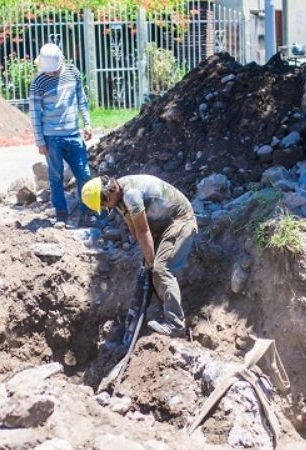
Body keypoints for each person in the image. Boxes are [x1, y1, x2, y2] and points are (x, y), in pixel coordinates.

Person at [81, 175, 198, 337]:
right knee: (150, 269)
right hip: (163, 225)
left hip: (180, 221)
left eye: (104, 204)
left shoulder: (131, 195)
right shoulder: (118, 197)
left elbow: (143, 231)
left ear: (108, 194)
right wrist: (147, 257)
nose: (106, 207)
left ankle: (175, 324)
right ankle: (161, 311)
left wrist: (151, 261)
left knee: (160, 269)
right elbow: (135, 230)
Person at [29, 43, 93, 225]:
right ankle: (61, 214)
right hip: (51, 138)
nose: (51, 74)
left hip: (73, 134)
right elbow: (35, 113)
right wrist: (40, 141)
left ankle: (86, 213)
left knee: (84, 174)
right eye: (47, 71)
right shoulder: (38, 84)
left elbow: (82, 99)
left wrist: (87, 123)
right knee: (55, 177)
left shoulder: (73, 73)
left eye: (53, 71)